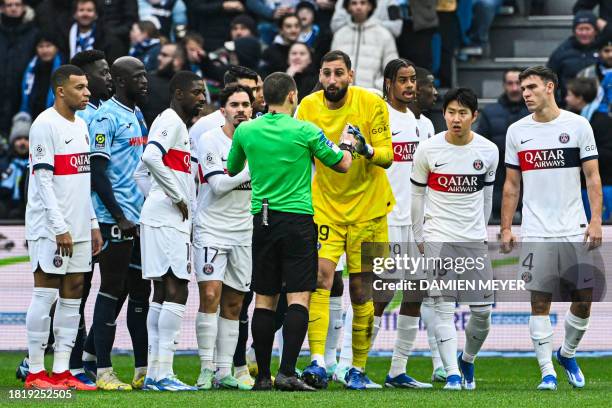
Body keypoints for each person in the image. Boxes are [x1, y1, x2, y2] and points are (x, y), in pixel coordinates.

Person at [226, 71, 353, 391]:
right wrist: (348, 145)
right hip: (297, 220)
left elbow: (232, 167)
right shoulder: (305, 130)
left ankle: (264, 378)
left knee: (264, 299)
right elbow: (341, 164)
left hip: (262, 219)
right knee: (299, 297)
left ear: (263, 98)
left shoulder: (247, 130)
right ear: (293, 96)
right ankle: (286, 372)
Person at [501, 66, 603, 391]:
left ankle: (567, 353)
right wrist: (506, 227)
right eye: (521, 87)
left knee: (584, 300)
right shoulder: (517, 131)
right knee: (539, 301)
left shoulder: (578, 126)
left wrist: (596, 219)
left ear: (550, 87)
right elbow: (511, 185)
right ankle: (547, 371)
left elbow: (592, 178)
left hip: (574, 227)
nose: (525, 93)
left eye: (531, 87)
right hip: (535, 230)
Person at [297, 50, 394, 390]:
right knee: (321, 279)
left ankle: (358, 369)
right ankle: (319, 361)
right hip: (325, 207)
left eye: (339, 73)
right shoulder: (307, 107)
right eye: (326, 73)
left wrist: (364, 150)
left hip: (369, 209)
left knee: (361, 289)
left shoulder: (371, 103)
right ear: (320, 76)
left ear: (350, 75)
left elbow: (387, 156)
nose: (332, 80)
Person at [411, 87, 498, 391]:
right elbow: (417, 194)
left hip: (473, 239)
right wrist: (419, 234)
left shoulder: (488, 151)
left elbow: (487, 199)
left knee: (483, 313)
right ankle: (450, 374)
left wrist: (481, 232)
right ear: (444, 114)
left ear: (474, 116)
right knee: (443, 306)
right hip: (438, 236)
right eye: (451, 112)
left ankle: (467, 360)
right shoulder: (428, 149)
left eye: (463, 113)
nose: (456, 118)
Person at [23, 64, 102, 390]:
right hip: (51, 228)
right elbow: (43, 182)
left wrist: (93, 223)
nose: (87, 92)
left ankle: (61, 371)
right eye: (80, 87)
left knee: (73, 295)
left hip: (81, 227)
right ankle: (35, 373)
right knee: (45, 294)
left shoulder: (82, 125)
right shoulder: (44, 125)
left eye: (86, 87)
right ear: (61, 91)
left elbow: (82, 182)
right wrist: (59, 227)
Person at [86, 56, 149, 391]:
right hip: (115, 219)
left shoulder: (136, 115)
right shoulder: (105, 117)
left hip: (138, 219)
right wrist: (119, 215)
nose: (145, 81)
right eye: (138, 77)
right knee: (110, 288)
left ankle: (143, 369)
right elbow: (97, 172)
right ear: (122, 82)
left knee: (140, 290)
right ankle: (103, 370)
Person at [140, 71, 205, 391]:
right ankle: (163, 372)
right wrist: (176, 197)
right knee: (177, 289)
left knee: (162, 293)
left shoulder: (178, 125)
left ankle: (155, 372)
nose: (203, 98)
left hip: (159, 215)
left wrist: (155, 195)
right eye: (197, 92)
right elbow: (149, 156)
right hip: (167, 218)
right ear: (179, 93)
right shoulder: (170, 120)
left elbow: (142, 173)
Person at [374, 58, 433, 389]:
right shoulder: (377, 117)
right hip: (385, 218)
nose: (410, 86)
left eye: (413, 80)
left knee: (416, 293)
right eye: (403, 80)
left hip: (416, 224)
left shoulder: (423, 125)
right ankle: (350, 366)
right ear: (388, 83)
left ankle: (398, 370)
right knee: (379, 294)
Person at [193, 84, 254, 391]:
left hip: (245, 231)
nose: (241, 109)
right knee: (210, 296)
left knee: (235, 304)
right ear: (224, 110)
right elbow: (218, 186)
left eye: (245, 104)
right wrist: (255, 169)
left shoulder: (259, 141)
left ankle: (223, 371)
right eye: (234, 104)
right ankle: (205, 369)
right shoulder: (209, 139)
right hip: (211, 228)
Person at [476, 68, 529, 221]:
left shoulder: (535, 113)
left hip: (530, 183)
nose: (514, 88)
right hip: (499, 181)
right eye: (510, 83)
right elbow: (481, 147)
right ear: (504, 85)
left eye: (518, 83)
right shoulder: (490, 112)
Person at [330, 0, 398, 91]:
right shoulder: (339, 35)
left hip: (372, 96)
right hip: (343, 96)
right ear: (348, 7)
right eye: (354, 3)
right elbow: (331, 66)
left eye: (363, 3)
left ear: (370, 6)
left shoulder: (384, 35)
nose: (358, 7)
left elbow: (393, 69)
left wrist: (377, 87)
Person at [189, 65, 260, 144]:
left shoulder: (258, 128)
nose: (252, 95)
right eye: (244, 89)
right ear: (228, 88)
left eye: (254, 89)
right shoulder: (205, 125)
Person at [0, 0, 39, 135]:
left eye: (17, 5)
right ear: (2, 8)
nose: (13, 8)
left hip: (23, 94)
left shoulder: (34, 33)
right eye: (9, 5)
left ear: (23, 7)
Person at [547, 10, 599, 103]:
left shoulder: (604, 50)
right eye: (580, 29)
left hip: (599, 105)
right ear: (574, 31)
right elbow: (549, 80)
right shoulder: (561, 52)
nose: (584, 33)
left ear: (595, 31)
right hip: (569, 105)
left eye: (587, 29)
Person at [20, 32, 63, 120]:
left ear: (56, 48)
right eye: (41, 46)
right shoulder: (32, 67)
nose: (45, 50)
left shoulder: (64, 68)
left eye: (48, 46)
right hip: (33, 117)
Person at [0, 112, 30, 219]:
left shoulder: (32, 164)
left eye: (26, 139)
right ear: (12, 141)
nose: (22, 142)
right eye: (19, 139)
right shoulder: (4, 162)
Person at [142, 43, 178, 126]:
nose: (159, 58)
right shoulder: (147, 79)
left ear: (177, 61)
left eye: (164, 55)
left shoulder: (188, 86)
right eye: (160, 54)